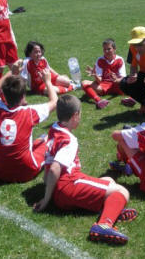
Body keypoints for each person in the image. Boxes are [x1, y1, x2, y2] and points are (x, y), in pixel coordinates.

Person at [33, 95, 136, 245]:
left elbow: (48, 164)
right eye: (80, 114)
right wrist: (46, 199)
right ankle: (104, 225)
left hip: (61, 187)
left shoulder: (54, 129)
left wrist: (48, 186)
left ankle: (112, 210)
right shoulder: (69, 140)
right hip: (68, 186)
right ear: (75, 116)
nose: (80, 117)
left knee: (109, 180)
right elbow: (55, 167)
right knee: (122, 192)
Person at [0, 68, 58, 183]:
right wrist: (48, 81)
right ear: (23, 95)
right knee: (48, 137)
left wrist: (11, 71)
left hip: (0, 171)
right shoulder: (29, 112)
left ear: (3, 92)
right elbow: (54, 102)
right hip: (26, 171)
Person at [82, 38, 126, 109]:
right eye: (104, 49)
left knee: (133, 79)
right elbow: (99, 80)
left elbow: (123, 77)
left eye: (109, 49)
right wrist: (95, 75)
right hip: (104, 86)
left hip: (117, 85)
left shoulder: (119, 59)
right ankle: (99, 101)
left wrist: (116, 79)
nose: (106, 51)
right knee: (84, 83)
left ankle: (130, 100)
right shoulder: (100, 60)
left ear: (114, 49)